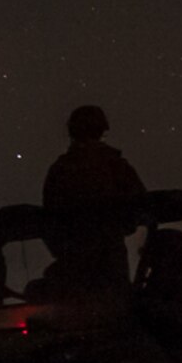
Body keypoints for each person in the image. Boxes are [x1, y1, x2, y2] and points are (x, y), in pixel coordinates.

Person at [41, 104, 144, 295]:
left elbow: (49, 219)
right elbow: (139, 208)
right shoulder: (117, 166)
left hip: (73, 261)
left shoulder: (60, 169)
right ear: (102, 130)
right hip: (110, 260)